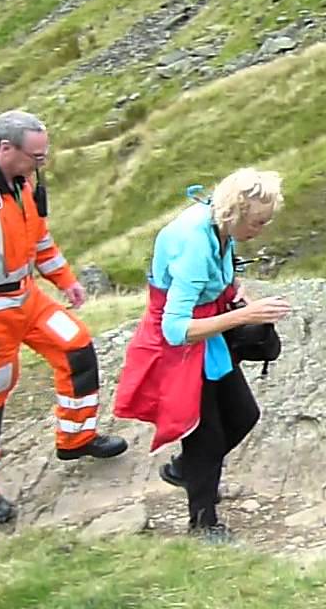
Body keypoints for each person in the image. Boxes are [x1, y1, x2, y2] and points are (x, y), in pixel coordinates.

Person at [0, 110, 128, 526]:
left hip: (27, 298)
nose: (41, 163)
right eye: (36, 155)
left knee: (77, 346)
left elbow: (40, 240)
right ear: (5, 148)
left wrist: (65, 280)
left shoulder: (22, 184)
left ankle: (76, 437)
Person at [114, 168, 290, 541]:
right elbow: (175, 329)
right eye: (258, 222)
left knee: (243, 415)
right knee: (204, 434)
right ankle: (202, 524)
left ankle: (186, 470)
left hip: (208, 332)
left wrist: (238, 297)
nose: (262, 230)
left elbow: (221, 278)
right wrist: (246, 316)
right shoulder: (195, 243)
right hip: (181, 346)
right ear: (237, 212)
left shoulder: (220, 226)